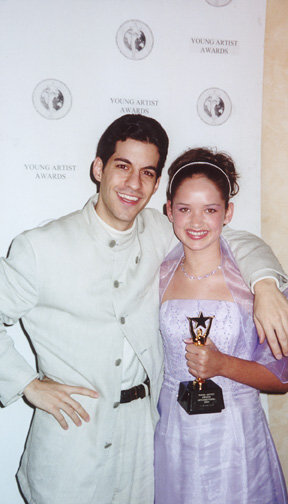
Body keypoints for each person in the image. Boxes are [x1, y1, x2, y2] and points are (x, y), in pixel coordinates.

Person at [0, 115, 287, 504]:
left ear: (156, 184)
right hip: (72, 445)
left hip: (146, 446)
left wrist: (266, 282)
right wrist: (25, 384)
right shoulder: (41, 247)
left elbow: (226, 234)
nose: (134, 184)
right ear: (98, 168)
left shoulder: (159, 231)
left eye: (147, 173)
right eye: (122, 167)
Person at [154, 147, 288, 504]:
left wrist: (222, 365)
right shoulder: (159, 274)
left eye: (210, 210)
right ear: (169, 210)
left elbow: (282, 378)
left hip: (236, 440)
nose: (196, 222)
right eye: (184, 209)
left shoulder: (255, 285)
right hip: (173, 435)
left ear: (227, 212)